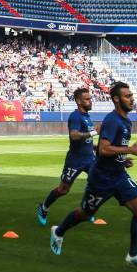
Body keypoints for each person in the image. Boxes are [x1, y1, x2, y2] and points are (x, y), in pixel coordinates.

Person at [49, 82, 137, 272]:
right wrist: (130, 149)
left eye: (131, 96)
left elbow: (103, 149)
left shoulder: (126, 121)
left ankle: (134, 254)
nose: (132, 99)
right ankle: (58, 232)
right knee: (85, 213)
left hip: (119, 176)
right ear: (116, 99)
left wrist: (122, 159)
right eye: (127, 96)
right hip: (101, 179)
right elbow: (104, 149)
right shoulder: (112, 120)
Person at [37, 87, 98, 226]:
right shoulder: (75, 116)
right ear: (78, 101)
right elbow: (74, 135)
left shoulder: (87, 117)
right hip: (75, 160)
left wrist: (96, 147)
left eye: (90, 99)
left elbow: (87, 140)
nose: (90, 101)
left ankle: (86, 211)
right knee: (63, 190)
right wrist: (95, 133)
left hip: (89, 158)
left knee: (97, 182)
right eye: (87, 99)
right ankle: (44, 207)